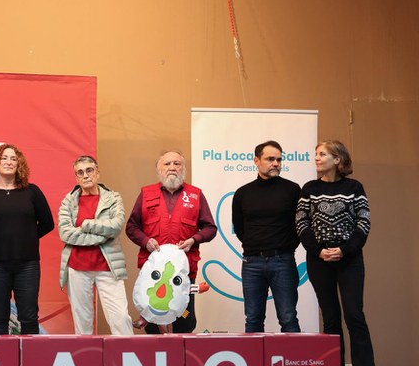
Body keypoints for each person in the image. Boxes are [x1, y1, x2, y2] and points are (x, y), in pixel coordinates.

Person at [296, 140, 378, 366]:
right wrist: (318, 250)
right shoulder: (309, 189)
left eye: (322, 154)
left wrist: (344, 250)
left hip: (349, 260)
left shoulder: (354, 187)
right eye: (316, 154)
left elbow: (363, 222)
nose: (317, 158)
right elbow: (301, 223)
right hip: (319, 260)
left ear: (337, 159)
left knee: (354, 315)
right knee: (330, 318)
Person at [126, 151, 216, 333]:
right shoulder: (146, 193)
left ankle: (182, 350)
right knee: (153, 321)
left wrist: (194, 240)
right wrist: (145, 241)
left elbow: (210, 228)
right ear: (159, 169)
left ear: (183, 168)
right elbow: (131, 227)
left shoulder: (195, 195)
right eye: (167, 164)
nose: (172, 167)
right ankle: (155, 350)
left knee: (185, 319)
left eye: (177, 163)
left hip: (183, 271)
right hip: (153, 273)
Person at [0, 144, 55, 335]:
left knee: (29, 317)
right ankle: (1, 356)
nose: (8, 162)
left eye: (13, 159)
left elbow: (48, 223)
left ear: (19, 165)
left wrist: (26, 237)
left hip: (27, 265)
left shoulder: (32, 192)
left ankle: (30, 355)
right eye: (4, 158)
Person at [58, 156, 133, 335]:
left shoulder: (113, 198)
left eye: (89, 170)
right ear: (76, 178)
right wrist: (101, 236)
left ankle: (126, 353)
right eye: (80, 172)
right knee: (82, 324)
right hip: (77, 268)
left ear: (97, 173)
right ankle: (86, 354)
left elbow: (115, 227)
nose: (85, 175)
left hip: (108, 267)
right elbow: (66, 233)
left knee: (121, 318)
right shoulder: (68, 201)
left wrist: (86, 225)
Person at [232, 140, 302, 333]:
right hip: (252, 262)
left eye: (279, 159)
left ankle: (293, 354)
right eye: (270, 159)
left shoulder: (293, 190)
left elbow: (300, 225)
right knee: (253, 319)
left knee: (288, 317)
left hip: (283, 260)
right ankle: (253, 355)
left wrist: (285, 246)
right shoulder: (243, 193)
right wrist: (256, 245)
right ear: (257, 160)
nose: (276, 164)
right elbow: (239, 228)